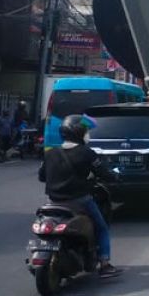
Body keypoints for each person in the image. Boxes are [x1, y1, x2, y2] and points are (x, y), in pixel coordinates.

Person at [37, 114, 120, 277]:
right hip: (79, 201)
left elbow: (42, 176)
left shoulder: (51, 153)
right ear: (79, 133)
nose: (88, 134)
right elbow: (104, 173)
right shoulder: (86, 153)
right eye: (86, 131)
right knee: (101, 227)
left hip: (53, 201)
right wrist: (114, 176)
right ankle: (104, 263)